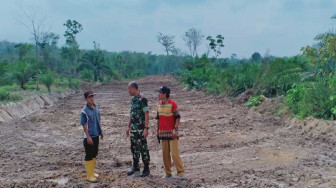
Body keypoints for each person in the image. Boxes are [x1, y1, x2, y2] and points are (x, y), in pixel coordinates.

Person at [156, 86, 185, 179]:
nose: (158, 94)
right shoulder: (159, 104)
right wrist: (157, 131)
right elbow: (158, 119)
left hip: (172, 134)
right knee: (165, 154)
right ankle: (168, 173)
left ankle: (180, 173)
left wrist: (175, 130)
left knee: (174, 154)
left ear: (164, 94)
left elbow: (178, 117)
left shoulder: (173, 104)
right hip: (163, 133)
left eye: (160, 92)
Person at [126, 81, 151, 177]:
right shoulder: (133, 100)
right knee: (134, 148)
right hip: (133, 129)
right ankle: (135, 167)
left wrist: (146, 128)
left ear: (134, 88)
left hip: (141, 129)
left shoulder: (143, 99)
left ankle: (146, 168)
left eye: (129, 88)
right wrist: (128, 127)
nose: (128, 91)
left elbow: (147, 113)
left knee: (143, 148)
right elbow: (131, 114)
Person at [80, 91, 103, 182]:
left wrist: (101, 131)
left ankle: (92, 172)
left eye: (93, 96)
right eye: (89, 97)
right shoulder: (84, 111)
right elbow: (84, 124)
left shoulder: (96, 107)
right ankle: (89, 175)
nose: (92, 98)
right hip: (89, 137)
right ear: (86, 99)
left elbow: (98, 120)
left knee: (94, 154)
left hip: (96, 134)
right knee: (89, 155)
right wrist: (88, 137)